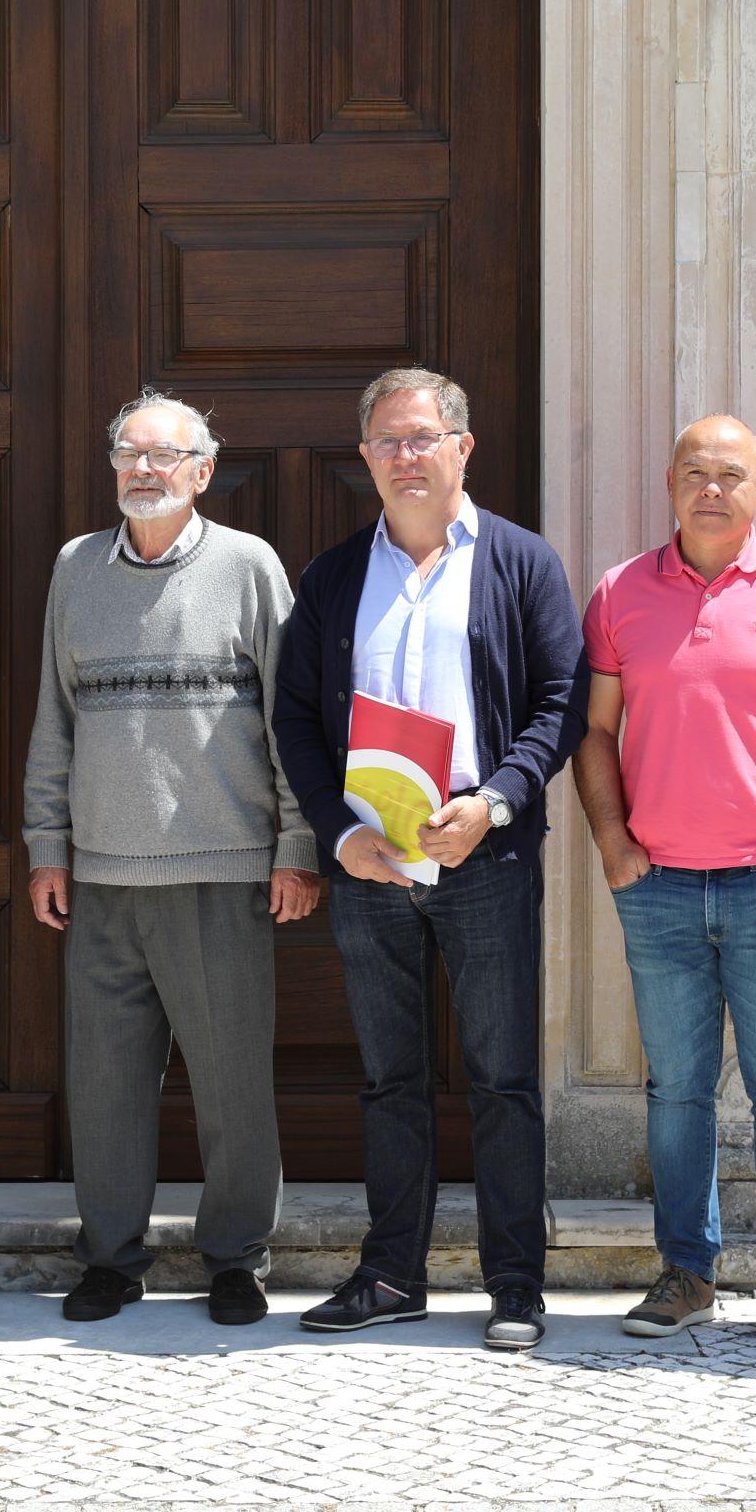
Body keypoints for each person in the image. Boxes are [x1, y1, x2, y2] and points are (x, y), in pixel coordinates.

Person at [272, 368, 587, 1351]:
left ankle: (515, 1284)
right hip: (371, 864)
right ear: (366, 456)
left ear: (462, 447)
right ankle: (391, 1274)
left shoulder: (521, 563)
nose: (404, 456)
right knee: (389, 1079)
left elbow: (562, 702)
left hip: (482, 856)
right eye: (387, 441)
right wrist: (339, 832)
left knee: (502, 1079)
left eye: (421, 437)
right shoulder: (333, 577)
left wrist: (494, 802)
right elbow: (294, 717)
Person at [24, 392, 322, 1328]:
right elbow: (54, 716)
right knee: (105, 1086)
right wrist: (46, 846)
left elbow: (291, 717)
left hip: (222, 870)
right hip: (102, 874)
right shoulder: (75, 567)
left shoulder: (248, 566)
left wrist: (297, 842)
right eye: (129, 452)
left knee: (233, 1085)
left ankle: (236, 1258)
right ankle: (111, 1259)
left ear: (203, 470)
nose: (144, 470)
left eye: (164, 455)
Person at [574, 415, 756, 1351]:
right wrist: (612, 842)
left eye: (730, 474)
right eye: (694, 471)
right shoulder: (620, 592)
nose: (711, 488)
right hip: (657, 886)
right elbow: (595, 732)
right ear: (669, 482)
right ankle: (687, 1272)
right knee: (677, 1091)